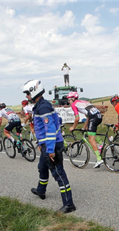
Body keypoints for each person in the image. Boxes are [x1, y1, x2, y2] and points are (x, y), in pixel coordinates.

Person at [23, 79, 76, 213]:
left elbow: (50, 129)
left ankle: (69, 204)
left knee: (58, 174)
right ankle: (41, 190)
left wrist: (50, 149)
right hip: (46, 144)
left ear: (34, 91)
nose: (26, 96)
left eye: (27, 93)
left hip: (51, 145)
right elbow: (56, 120)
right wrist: (41, 143)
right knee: (42, 167)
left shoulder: (43, 107)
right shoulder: (41, 105)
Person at [67, 91, 104, 168]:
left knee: (91, 139)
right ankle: (101, 144)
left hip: (93, 117)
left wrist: (73, 127)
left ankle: (99, 159)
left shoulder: (74, 105)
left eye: (69, 100)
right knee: (91, 133)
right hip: (98, 116)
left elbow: (77, 118)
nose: (69, 102)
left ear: (73, 99)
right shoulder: (84, 102)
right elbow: (88, 116)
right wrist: (84, 127)